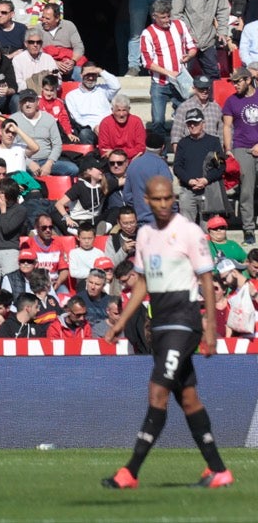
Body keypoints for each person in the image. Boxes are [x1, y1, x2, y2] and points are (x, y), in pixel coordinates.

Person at [102, 176, 233, 489]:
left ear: (173, 199)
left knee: (157, 392)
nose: (163, 204)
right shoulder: (146, 235)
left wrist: (211, 328)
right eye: (157, 199)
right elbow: (142, 284)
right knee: (188, 398)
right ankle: (218, 470)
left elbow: (206, 279)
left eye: (168, 198)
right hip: (160, 324)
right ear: (146, 201)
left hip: (184, 322)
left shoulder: (189, 231)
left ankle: (130, 472)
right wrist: (121, 322)